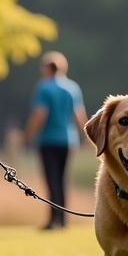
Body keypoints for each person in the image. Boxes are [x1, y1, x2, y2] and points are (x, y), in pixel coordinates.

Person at [23, 52, 87, 230]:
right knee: (62, 179)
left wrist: (27, 134)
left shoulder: (44, 87)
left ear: (47, 68)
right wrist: (86, 135)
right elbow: (78, 115)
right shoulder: (72, 88)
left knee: (52, 180)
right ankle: (63, 219)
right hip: (68, 140)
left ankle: (54, 220)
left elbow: (39, 114)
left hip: (48, 140)